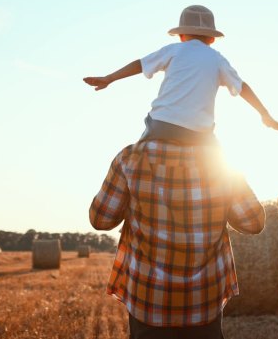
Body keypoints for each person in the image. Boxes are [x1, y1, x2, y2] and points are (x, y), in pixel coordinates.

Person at [89, 140, 265, 338]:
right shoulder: (217, 160)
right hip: (204, 303)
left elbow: (100, 220)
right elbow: (253, 221)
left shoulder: (130, 158)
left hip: (148, 302)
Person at [83, 5, 278, 145]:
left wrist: (109, 78)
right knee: (219, 167)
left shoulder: (174, 50)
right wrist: (265, 115)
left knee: (136, 155)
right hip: (200, 134)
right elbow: (243, 88)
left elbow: (140, 64)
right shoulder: (217, 59)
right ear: (212, 39)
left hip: (161, 125)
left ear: (181, 35)